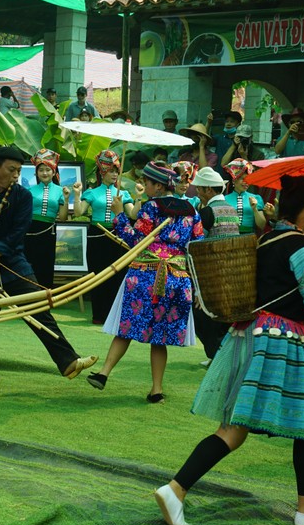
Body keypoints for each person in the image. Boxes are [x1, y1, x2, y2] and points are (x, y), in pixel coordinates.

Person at [155, 175, 304, 525]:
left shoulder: (266, 240)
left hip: (248, 335)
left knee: (233, 429)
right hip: (283, 342)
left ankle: (176, 488)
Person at [0, 146, 98, 396]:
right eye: (11, 170)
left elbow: (17, 234)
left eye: (19, 170)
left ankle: (67, 361)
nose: (16, 175)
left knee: (38, 305)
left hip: (12, 261)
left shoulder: (22, 196)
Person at [86, 162, 204, 402]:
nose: (144, 186)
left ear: (158, 185)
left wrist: (119, 214)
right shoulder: (192, 211)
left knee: (127, 326)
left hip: (145, 275)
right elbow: (199, 242)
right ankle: (156, 390)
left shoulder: (151, 207)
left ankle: (103, 373)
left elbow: (136, 241)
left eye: (148, 183)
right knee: (159, 337)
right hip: (177, 279)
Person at [73, 150, 136, 324]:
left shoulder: (123, 194)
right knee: (98, 275)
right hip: (97, 236)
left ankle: (115, 317)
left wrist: (138, 197)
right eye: (111, 171)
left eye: (117, 171)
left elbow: (134, 215)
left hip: (118, 236)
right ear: (102, 172)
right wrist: (77, 195)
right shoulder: (92, 193)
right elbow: (78, 212)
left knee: (118, 275)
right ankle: (99, 315)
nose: (115, 174)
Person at [187, 167, 237, 364]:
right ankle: (220, 353)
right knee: (222, 315)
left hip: (210, 272)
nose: (197, 192)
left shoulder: (207, 212)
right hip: (230, 270)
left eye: (199, 189)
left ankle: (216, 355)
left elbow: (197, 246)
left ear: (209, 190)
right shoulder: (231, 209)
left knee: (202, 315)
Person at [25, 149, 70, 289]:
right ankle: (26, 299)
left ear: (54, 172)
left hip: (48, 232)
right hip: (29, 232)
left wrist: (67, 199)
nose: (44, 173)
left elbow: (62, 218)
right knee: (28, 264)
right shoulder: (29, 191)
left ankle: (45, 300)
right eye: (41, 170)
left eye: (48, 170)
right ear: (36, 173)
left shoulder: (60, 191)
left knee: (46, 265)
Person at [223, 159, 268, 235]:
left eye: (248, 179)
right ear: (234, 180)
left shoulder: (256, 198)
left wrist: (255, 209)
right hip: (228, 238)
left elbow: (262, 225)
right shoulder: (224, 199)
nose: (246, 182)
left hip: (249, 239)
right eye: (242, 179)